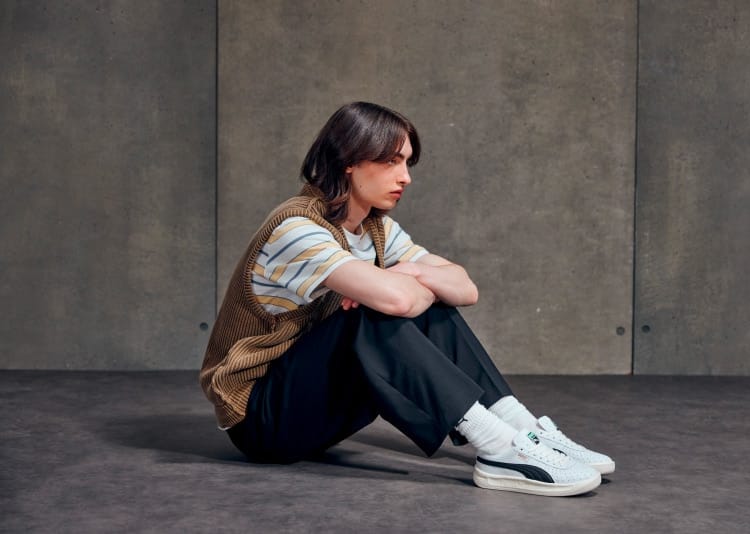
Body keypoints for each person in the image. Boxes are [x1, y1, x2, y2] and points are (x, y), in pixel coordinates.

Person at [200, 101, 614, 497]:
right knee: (369, 315)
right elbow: (397, 303)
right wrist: (396, 285)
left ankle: (525, 431)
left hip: (317, 405)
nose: (405, 177)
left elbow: (464, 288)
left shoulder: (376, 229)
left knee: (427, 309)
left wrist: (409, 273)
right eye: (391, 161)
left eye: (407, 163)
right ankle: (498, 449)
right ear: (349, 160)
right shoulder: (296, 228)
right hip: (261, 419)